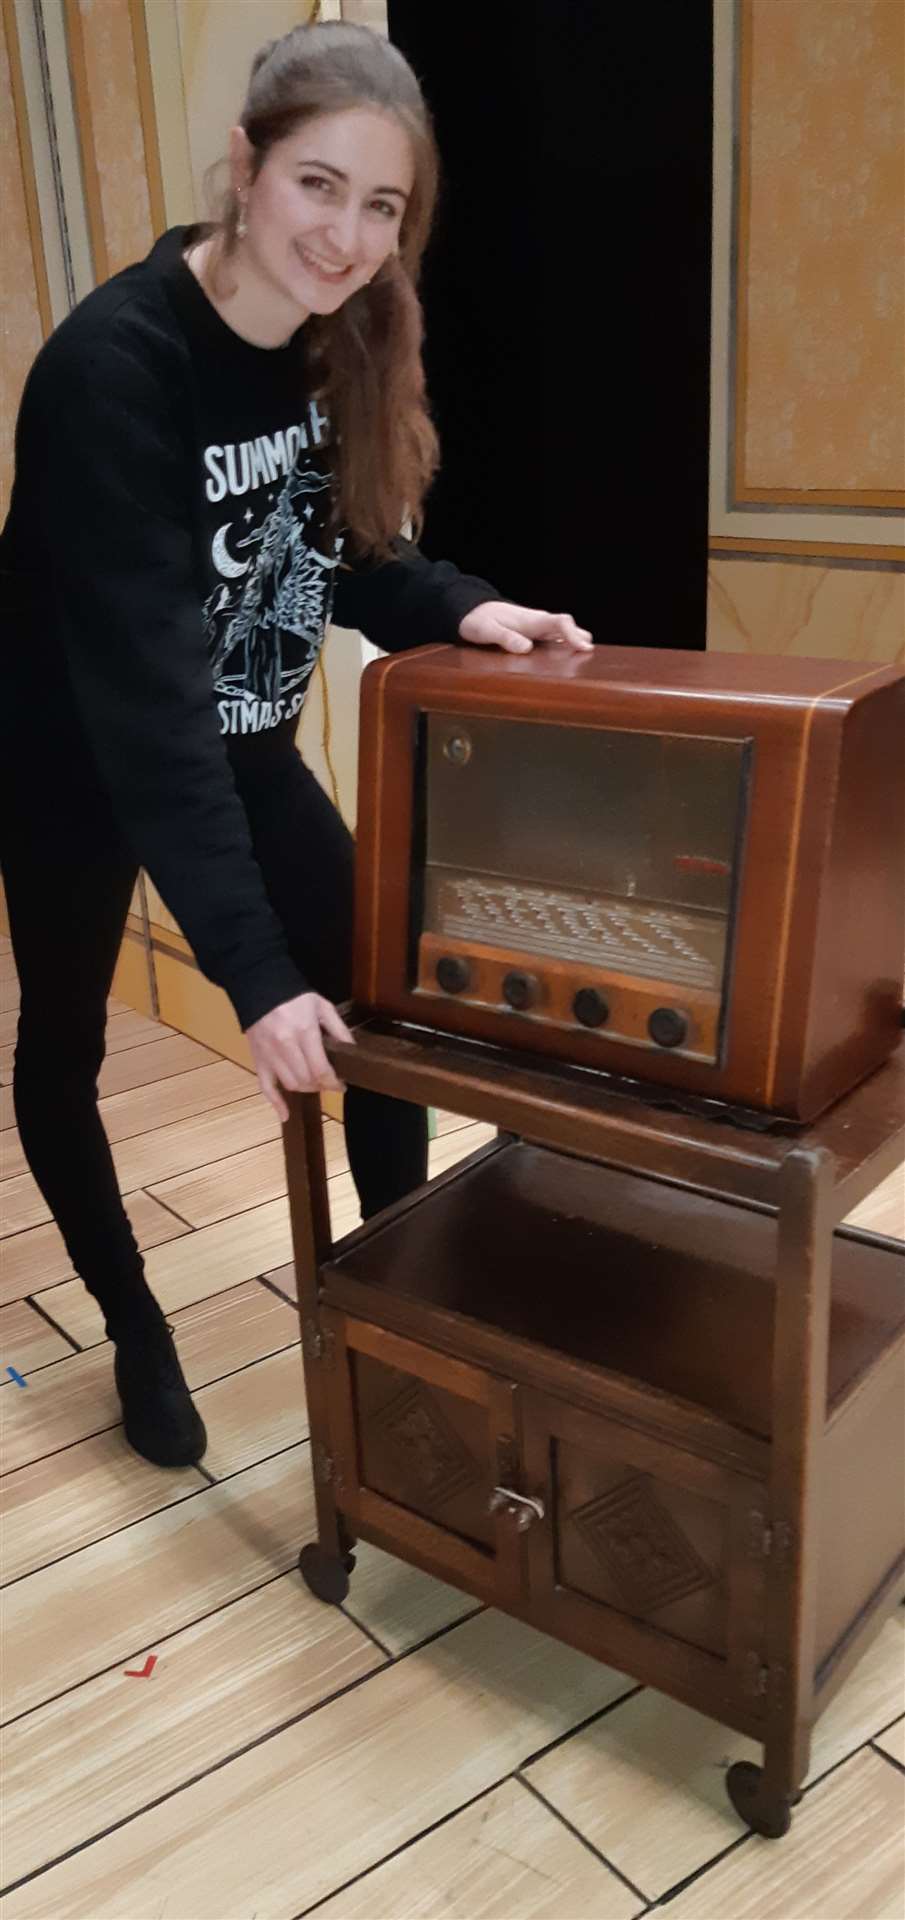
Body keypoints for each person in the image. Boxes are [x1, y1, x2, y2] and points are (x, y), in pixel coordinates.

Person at [0, 21, 591, 1471]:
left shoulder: (328, 352)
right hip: (74, 753)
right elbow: (148, 714)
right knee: (61, 1044)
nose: (346, 236)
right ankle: (133, 1322)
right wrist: (256, 978)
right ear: (249, 171)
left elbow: (334, 561)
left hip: (236, 737)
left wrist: (468, 606)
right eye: (320, 186)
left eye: (381, 207)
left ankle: (386, 1308)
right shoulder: (113, 372)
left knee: (377, 1022)